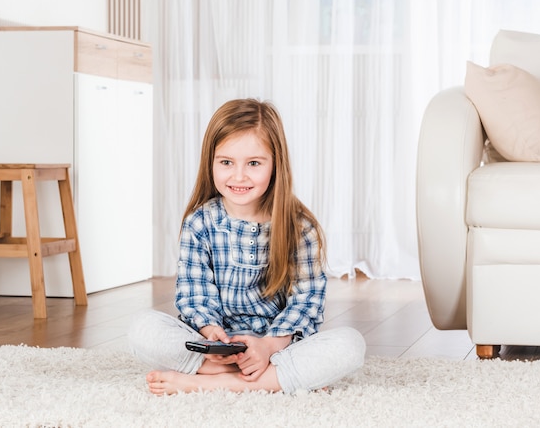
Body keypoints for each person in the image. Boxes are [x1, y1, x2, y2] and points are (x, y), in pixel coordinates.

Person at [128, 98, 366, 395]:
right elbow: (194, 294)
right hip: (215, 347)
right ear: (211, 162)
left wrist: (267, 346)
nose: (239, 176)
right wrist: (211, 335)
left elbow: (305, 304)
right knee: (142, 327)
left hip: (275, 347)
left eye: (253, 163)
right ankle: (261, 379)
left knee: (351, 345)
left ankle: (211, 383)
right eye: (226, 162)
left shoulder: (300, 228)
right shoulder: (200, 222)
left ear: (275, 165)